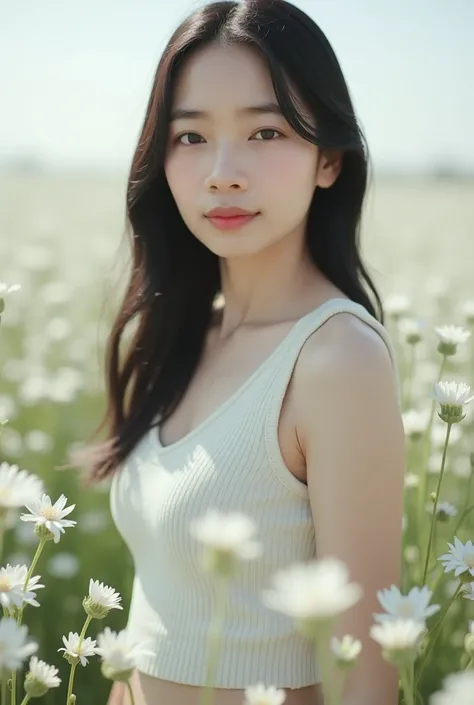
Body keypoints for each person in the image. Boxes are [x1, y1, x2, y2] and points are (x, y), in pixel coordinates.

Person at [77, 1, 406, 703]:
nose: (223, 172)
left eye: (266, 131)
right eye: (190, 137)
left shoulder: (336, 360)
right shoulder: (183, 336)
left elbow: (367, 676)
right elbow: (155, 614)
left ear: (329, 160)